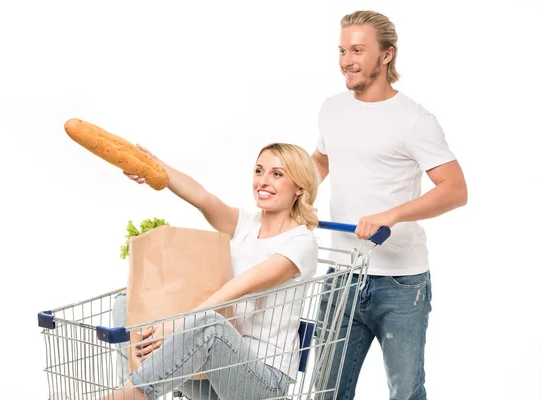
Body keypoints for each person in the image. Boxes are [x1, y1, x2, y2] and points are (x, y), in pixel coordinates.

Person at [311, 10, 468, 400]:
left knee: (406, 393)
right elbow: (321, 161)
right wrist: (298, 197)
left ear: (386, 55)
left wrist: (392, 214)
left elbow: (455, 189)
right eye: (343, 50)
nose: (347, 60)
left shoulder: (414, 120)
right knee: (325, 392)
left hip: (401, 284)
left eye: (358, 50)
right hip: (341, 275)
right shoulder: (332, 108)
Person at [106, 142, 321, 400]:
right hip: (212, 367)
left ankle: (133, 394)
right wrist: (153, 165)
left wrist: (178, 324)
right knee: (126, 303)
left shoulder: (301, 243)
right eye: (259, 171)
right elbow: (201, 196)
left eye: (277, 174)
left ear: (299, 187)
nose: (263, 181)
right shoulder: (246, 225)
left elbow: (240, 286)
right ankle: (133, 385)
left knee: (211, 324)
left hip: (262, 377)